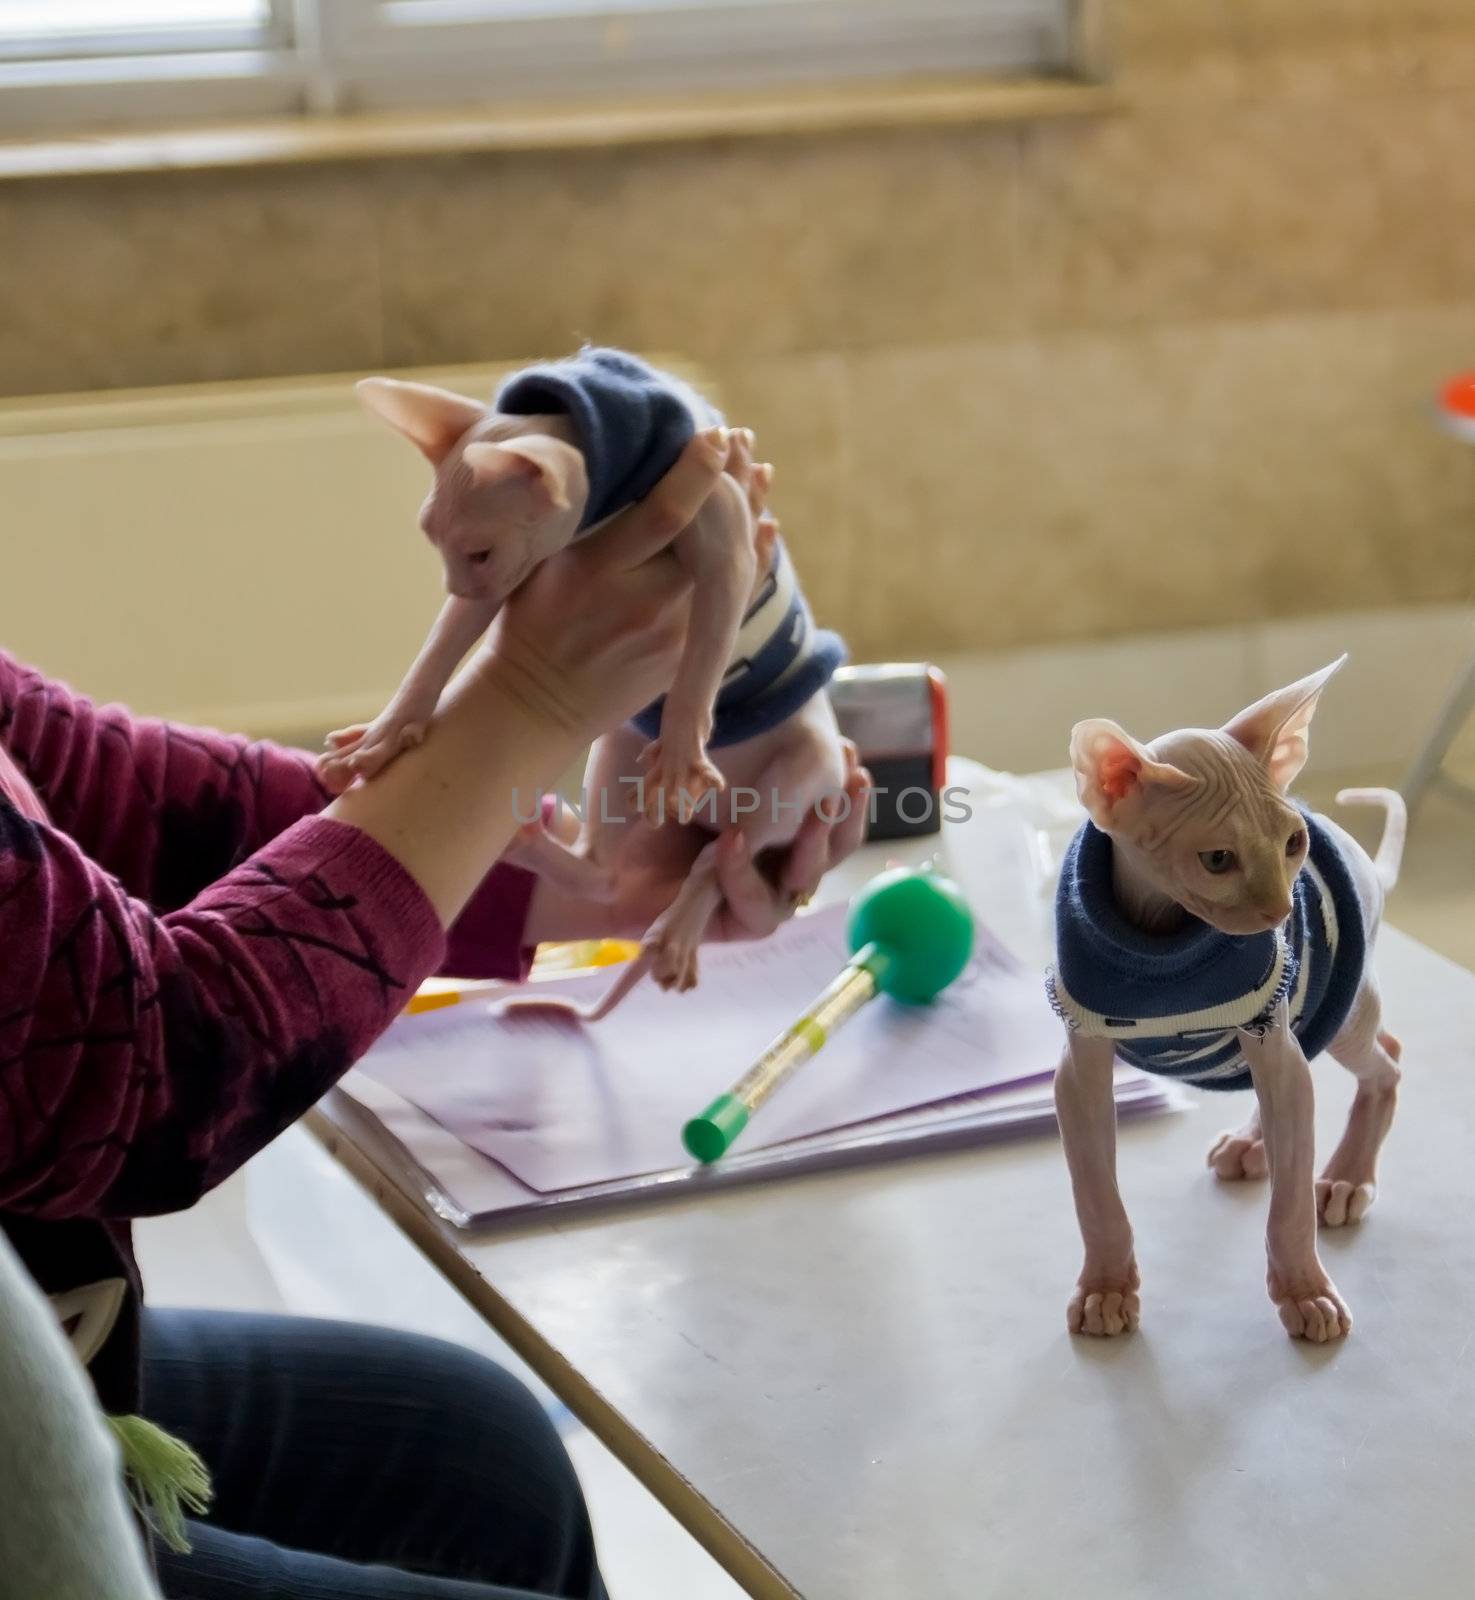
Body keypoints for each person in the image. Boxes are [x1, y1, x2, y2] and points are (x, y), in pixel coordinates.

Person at [0, 429, 870, 1599]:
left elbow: (99, 792)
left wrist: (579, 885)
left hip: (47, 1330)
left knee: (485, 1454)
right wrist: (533, 694)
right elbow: (146, 1069)